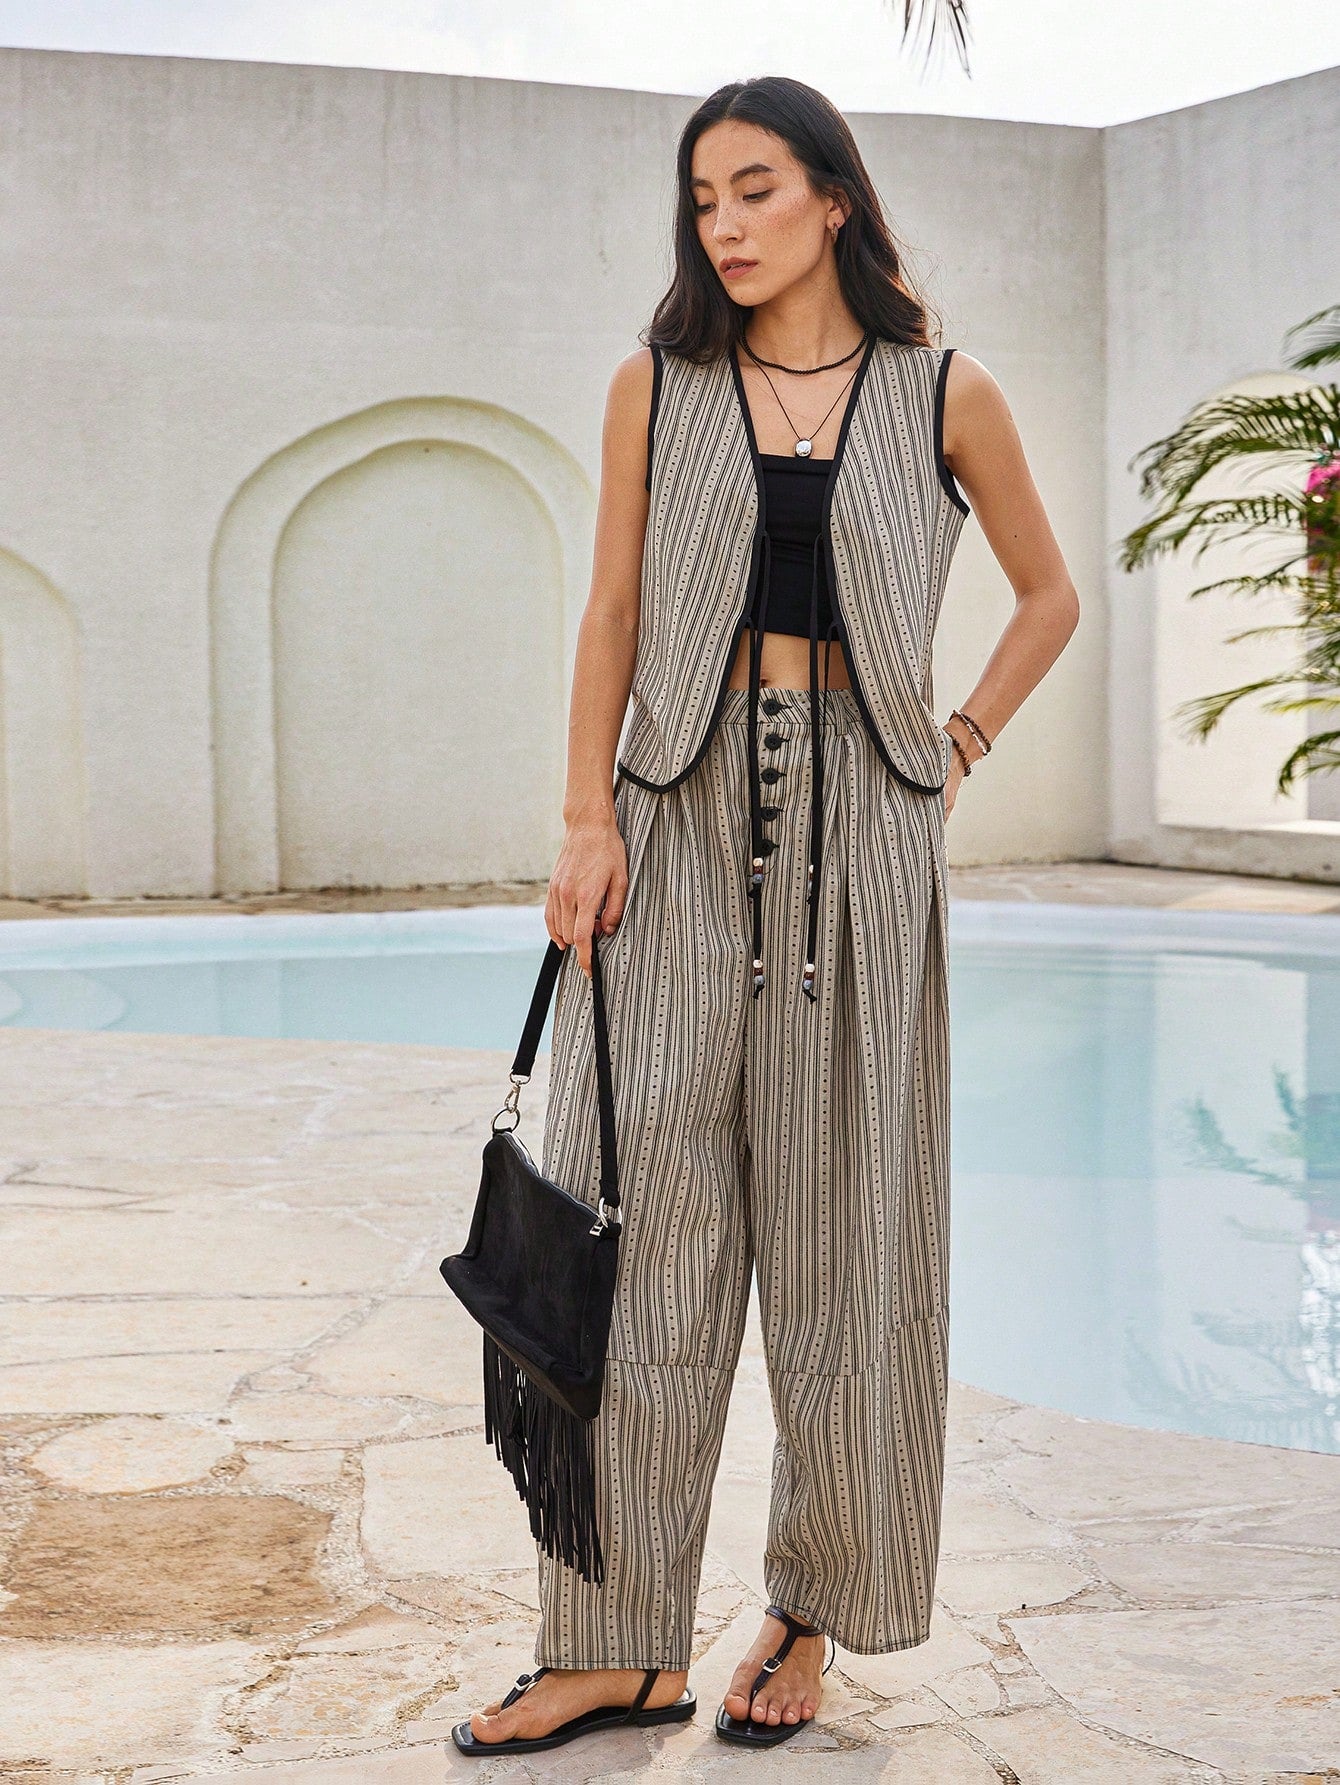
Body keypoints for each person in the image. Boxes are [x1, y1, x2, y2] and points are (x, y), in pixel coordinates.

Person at [455, 73, 1079, 1757]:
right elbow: (611, 608)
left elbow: (1050, 596)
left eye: (755, 190)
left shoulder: (946, 391)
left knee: (847, 1245)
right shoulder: (655, 387)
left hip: (866, 836)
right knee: (642, 1231)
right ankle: (612, 1638)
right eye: (702, 199)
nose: (723, 225)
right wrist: (585, 813)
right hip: (670, 821)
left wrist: (956, 746)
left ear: (834, 198)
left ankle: (812, 1604)